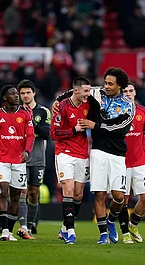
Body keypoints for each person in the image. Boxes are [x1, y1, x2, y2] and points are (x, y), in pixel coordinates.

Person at [55, 67, 135, 244]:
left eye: (110, 84)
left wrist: (95, 126)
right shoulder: (97, 93)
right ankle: (103, 234)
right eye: (105, 82)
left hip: (117, 153)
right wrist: (59, 99)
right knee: (99, 194)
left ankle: (111, 220)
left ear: (120, 86)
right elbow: (78, 90)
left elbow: (120, 130)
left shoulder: (128, 105)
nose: (106, 86)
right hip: (97, 150)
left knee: (119, 196)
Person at [51, 77, 91, 244]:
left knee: (78, 194)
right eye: (86, 91)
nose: (88, 94)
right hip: (64, 152)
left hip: (82, 153)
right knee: (67, 187)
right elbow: (54, 134)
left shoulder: (89, 104)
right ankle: (71, 232)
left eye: (89, 91)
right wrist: (74, 130)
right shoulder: (61, 107)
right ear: (76, 91)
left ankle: (64, 227)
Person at [119, 82, 145, 244]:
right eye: (125, 91)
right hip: (121, 162)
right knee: (122, 199)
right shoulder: (116, 112)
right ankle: (125, 233)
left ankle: (133, 225)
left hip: (140, 162)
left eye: (130, 90)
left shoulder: (143, 112)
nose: (128, 93)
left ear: (135, 92)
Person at [0, 85, 34, 242]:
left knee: (16, 196)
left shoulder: (24, 115)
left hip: (19, 161)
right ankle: (4, 230)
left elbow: (30, 136)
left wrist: (27, 152)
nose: (17, 96)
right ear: (5, 97)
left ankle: (9, 231)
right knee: (3, 191)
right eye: (12, 94)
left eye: (17, 94)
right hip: (1, 159)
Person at [17, 80, 51, 239]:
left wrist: (31, 122)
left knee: (34, 194)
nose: (25, 96)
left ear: (34, 93)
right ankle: (23, 227)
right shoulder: (15, 112)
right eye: (22, 93)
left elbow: (46, 134)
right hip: (20, 159)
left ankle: (30, 226)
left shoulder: (43, 111)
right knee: (21, 192)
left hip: (37, 158)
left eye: (27, 92)